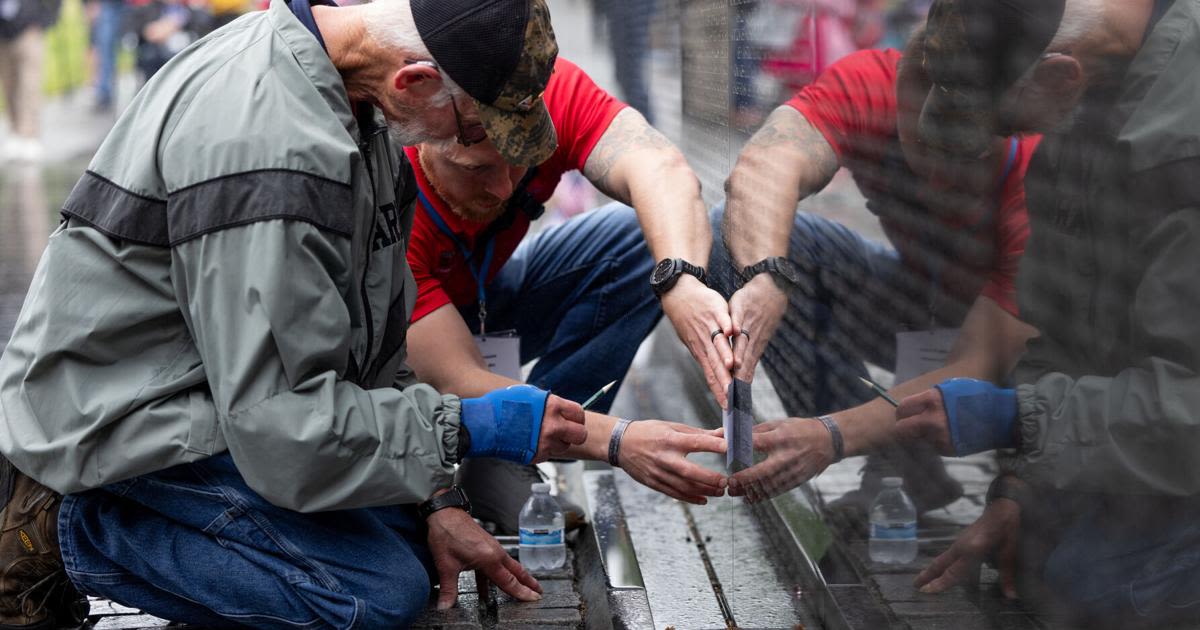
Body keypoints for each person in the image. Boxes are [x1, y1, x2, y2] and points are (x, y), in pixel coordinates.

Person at [0, 0, 594, 627]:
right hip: (116, 416)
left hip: (211, 395)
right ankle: (67, 524)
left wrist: (437, 500)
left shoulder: (354, 103)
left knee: (413, 546)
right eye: (471, 129)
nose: (467, 153)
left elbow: (371, 361)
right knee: (372, 596)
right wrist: (469, 426)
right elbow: (279, 426)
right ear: (414, 79)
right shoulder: (269, 144)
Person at [893, 0, 1200, 626]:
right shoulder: (1086, 105)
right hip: (1150, 435)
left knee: (1093, 589)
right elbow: (1063, 328)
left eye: (1010, 125)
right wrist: (1019, 488)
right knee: (1030, 559)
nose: (1013, 141)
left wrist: (1019, 418)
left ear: (1062, 78)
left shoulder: (1182, 146)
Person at [714, 29, 1038, 511]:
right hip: (917, 297)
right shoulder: (873, 82)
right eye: (919, 151)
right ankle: (905, 473)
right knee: (733, 235)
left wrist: (832, 436)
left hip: (1019, 347)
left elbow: (981, 360)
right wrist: (768, 280)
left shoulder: (1040, 174)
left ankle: (1018, 494)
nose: (934, 179)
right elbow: (764, 168)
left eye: (957, 159)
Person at [404, 56, 732, 532]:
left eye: (519, 163)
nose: (501, 188)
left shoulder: (537, 91)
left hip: (486, 297)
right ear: (418, 127)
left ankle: (504, 464)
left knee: (641, 241)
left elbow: (661, 169)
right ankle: (498, 449)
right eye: (478, 169)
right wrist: (616, 439)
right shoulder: (390, 197)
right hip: (402, 348)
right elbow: (456, 377)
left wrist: (680, 280)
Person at [0, 0, 62, 162]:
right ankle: (14, 130)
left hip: (30, 26)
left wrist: (46, 19)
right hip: (4, 30)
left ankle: (29, 133)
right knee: (8, 83)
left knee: (30, 84)